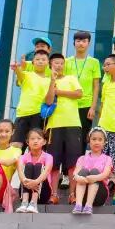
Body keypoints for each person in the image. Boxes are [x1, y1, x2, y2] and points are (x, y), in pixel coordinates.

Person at [44, 52, 83, 204]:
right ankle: (54, 194)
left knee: (73, 162)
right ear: (50, 65)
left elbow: (78, 94)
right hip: (54, 125)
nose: (59, 66)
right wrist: (52, 83)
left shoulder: (71, 78)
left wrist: (58, 92)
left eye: (61, 63)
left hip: (73, 124)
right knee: (53, 163)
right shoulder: (47, 81)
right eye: (56, 63)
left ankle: (73, 194)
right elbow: (48, 101)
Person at [64, 30, 101, 144]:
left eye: (84, 41)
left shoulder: (94, 62)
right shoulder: (66, 62)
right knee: (68, 137)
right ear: (74, 43)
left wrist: (93, 107)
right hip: (69, 105)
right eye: (78, 41)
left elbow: (96, 87)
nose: (81, 43)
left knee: (83, 138)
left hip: (86, 106)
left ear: (88, 43)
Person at [10, 48, 50, 147]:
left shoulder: (50, 80)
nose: (40, 61)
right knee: (16, 145)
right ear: (32, 62)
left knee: (36, 146)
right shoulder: (27, 75)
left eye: (43, 59)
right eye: (37, 59)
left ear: (48, 63)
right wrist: (17, 69)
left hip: (39, 116)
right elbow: (20, 75)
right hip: (22, 114)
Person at [71, 128, 113, 214]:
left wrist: (94, 178)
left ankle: (88, 206)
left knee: (94, 171)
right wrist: (78, 178)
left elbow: (105, 174)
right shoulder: (82, 158)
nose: (96, 142)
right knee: (83, 171)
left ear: (104, 143)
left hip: (99, 195)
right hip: (83, 195)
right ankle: (78, 205)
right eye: (94, 139)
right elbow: (75, 173)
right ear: (89, 141)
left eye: (100, 140)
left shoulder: (108, 159)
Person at [16, 129, 53, 212]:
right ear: (27, 142)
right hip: (26, 189)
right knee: (29, 165)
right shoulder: (22, 157)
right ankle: (24, 202)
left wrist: (35, 182)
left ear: (44, 142)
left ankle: (33, 203)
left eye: (39, 138)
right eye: (32, 139)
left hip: (42, 193)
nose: (35, 141)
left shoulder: (48, 157)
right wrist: (27, 183)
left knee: (38, 165)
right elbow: (20, 172)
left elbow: (46, 171)